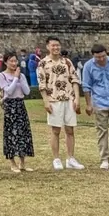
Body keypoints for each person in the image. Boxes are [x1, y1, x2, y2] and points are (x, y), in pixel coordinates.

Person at [36, 37, 85, 171]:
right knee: (55, 130)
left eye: (57, 45)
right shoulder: (43, 63)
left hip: (68, 97)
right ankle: (56, 158)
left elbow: (74, 79)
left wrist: (77, 98)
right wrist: (45, 100)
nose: (56, 48)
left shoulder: (67, 62)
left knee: (70, 129)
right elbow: (42, 84)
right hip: (54, 99)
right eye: (53, 46)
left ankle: (70, 158)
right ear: (48, 47)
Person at [0, 52, 34, 172]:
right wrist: (15, 79)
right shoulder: (2, 75)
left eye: (15, 61)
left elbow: (27, 91)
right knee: (11, 133)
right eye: (11, 61)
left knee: (23, 132)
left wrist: (20, 78)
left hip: (20, 105)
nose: (13, 63)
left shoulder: (21, 75)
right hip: (10, 106)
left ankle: (22, 162)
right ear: (6, 62)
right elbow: (8, 91)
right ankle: (12, 162)